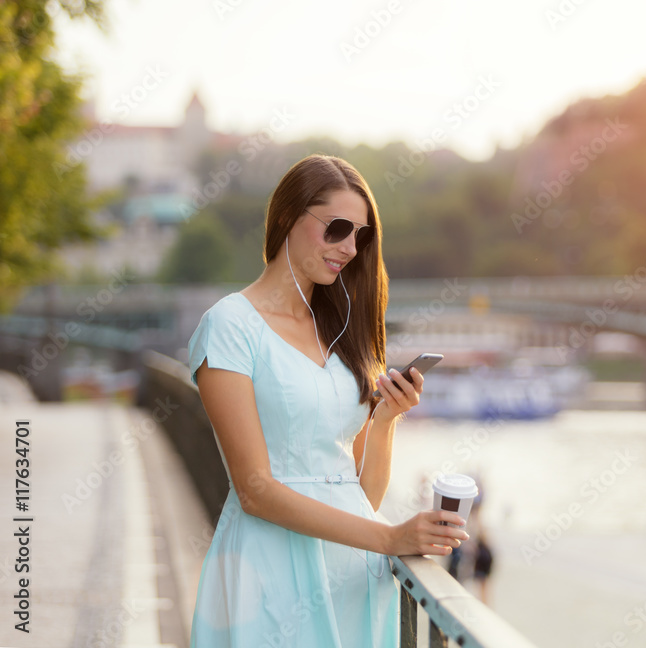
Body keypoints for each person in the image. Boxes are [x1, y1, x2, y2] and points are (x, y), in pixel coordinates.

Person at [186, 154, 468, 647]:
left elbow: (364, 496)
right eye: (337, 228)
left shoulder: (343, 334)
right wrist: (389, 538)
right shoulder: (229, 326)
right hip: (270, 571)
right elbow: (254, 490)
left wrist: (383, 421)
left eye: (360, 236)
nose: (349, 248)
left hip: (353, 574)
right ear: (288, 218)